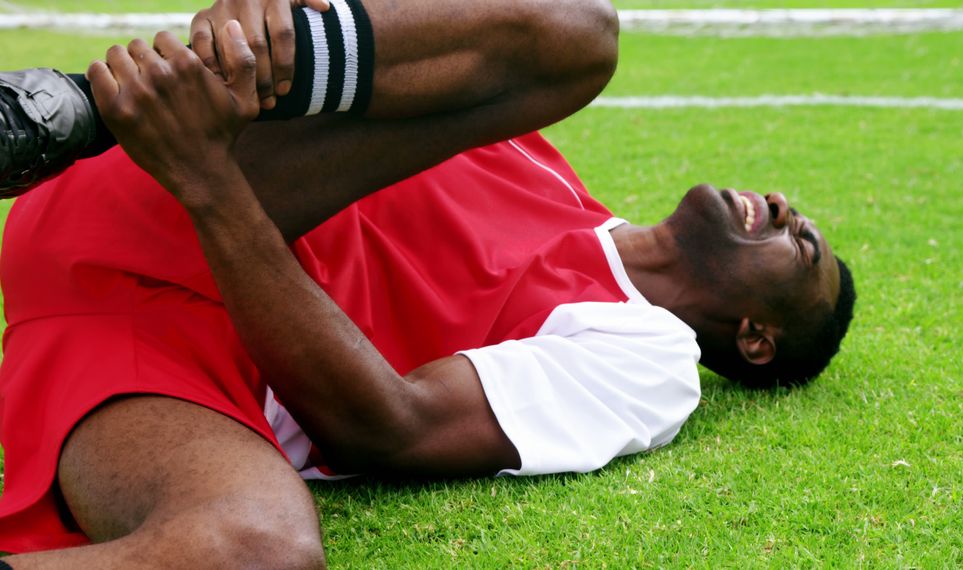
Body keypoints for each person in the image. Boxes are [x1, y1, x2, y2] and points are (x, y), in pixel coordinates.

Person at [0, 0, 856, 565]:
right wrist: (265, 30)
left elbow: (389, 427)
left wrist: (206, 183)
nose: (784, 206)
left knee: (260, 550)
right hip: (144, 191)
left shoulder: (649, 360)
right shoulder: (547, 172)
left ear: (755, 336)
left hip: (162, 366)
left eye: (803, 245)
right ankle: (73, 109)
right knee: (575, 32)